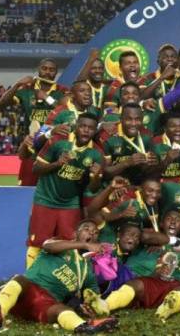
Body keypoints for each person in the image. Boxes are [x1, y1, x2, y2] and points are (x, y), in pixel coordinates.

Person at [0, 220, 118, 334]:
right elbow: (48, 246)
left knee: (61, 309)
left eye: (95, 232)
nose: (91, 233)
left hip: (44, 305)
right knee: (20, 279)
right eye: (86, 229)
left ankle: (84, 327)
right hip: (25, 293)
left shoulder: (88, 270)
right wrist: (83, 245)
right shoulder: (60, 243)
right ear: (75, 233)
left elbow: (94, 296)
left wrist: (90, 307)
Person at [99, 225, 180, 320]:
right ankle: (105, 305)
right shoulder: (179, 251)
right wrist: (159, 271)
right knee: (137, 283)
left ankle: (163, 312)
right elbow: (148, 240)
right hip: (164, 282)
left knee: (179, 290)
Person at [26, 113, 104, 267]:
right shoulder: (58, 141)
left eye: (90, 128)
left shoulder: (97, 153)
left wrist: (96, 177)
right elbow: (36, 169)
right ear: (76, 127)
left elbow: (92, 188)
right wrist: (57, 163)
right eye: (82, 126)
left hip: (70, 203)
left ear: (95, 131)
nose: (86, 131)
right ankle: (30, 279)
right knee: (37, 243)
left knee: (71, 243)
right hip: (45, 199)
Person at [0, 58, 67, 186]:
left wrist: (46, 98)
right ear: (38, 70)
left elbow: (68, 111)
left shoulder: (62, 91)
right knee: (26, 188)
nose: (47, 72)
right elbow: (0, 104)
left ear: (56, 73)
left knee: (52, 188)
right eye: (44, 68)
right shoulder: (27, 90)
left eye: (51, 70)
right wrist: (17, 85)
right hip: (32, 146)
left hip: (54, 148)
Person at [103, 103, 158, 185]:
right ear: (121, 119)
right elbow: (105, 173)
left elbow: (148, 172)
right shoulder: (109, 139)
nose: (133, 123)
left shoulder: (147, 138)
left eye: (137, 119)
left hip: (138, 185)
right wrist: (127, 163)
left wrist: (151, 165)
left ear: (142, 120)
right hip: (114, 186)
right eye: (129, 119)